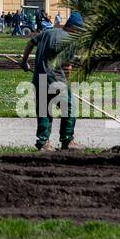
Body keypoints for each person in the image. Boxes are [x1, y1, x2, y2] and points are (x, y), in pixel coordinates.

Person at [20, 10, 87, 151]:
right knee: (69, 108)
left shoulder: (48, 32)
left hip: (39, 79)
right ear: (74, 28)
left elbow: (30, 42)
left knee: (44, 110)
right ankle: (67, 140)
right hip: (56, 80)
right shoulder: (69, 40)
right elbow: (67, 66)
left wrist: (24, 61)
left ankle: (43, 142)